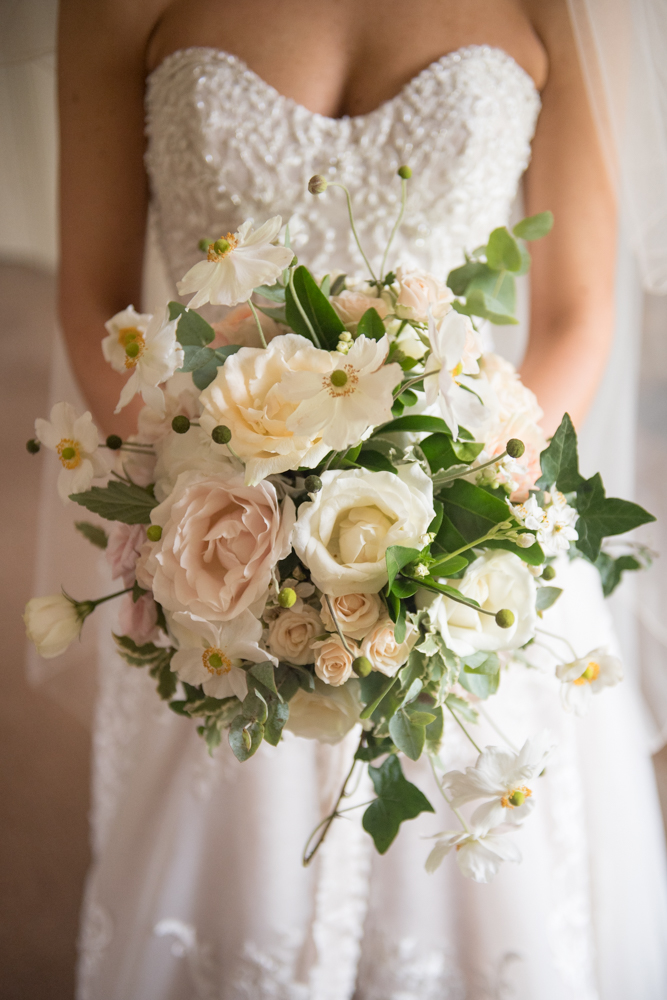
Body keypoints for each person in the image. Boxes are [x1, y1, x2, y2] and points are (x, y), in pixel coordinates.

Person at [56, 1, 667, 997]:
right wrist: (206, 503)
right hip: (221, 558)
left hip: (468, 556)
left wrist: (463, 516)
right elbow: (91, 298)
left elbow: (573, 314)